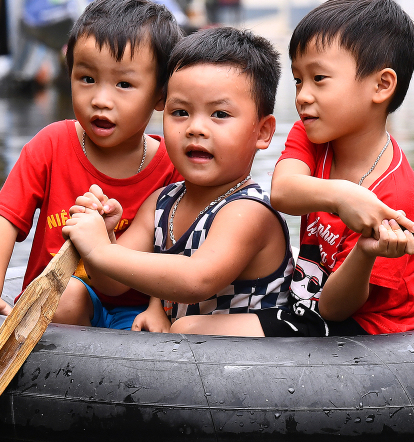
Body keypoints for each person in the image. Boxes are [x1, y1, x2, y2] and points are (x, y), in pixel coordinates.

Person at [174, 0, 414, 338]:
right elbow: (283, 191)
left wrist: (366, 252)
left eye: (319, 79)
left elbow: (336, 308)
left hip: (363, 328)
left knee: (189, 329)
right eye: (298, 80)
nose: (302, 96)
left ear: (381, 85)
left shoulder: (397, 196)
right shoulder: (313, 137)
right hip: (306, 304)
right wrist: (343, 196)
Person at [0, 0, 183, 328]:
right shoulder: (52, 145)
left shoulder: (172, 166)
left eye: (124, 84)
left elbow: (175, 250)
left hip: (135, 312)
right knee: (69, 293)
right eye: (87, 79)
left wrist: (158, 309)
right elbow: (4, 220)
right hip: (58, 302)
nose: (101, 100)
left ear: (160, 95)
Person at [61, 27, 293, 331]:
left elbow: (197, 280)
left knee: (185, 328)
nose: (196, 128)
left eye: (220, 115)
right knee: (72, 295)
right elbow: (111, 283)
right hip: (189, 348)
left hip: (265, 339)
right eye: (180, 112)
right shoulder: (162, 202)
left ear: (262, 132)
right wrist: (105, 237)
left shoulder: (249, 211)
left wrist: (102, 251)